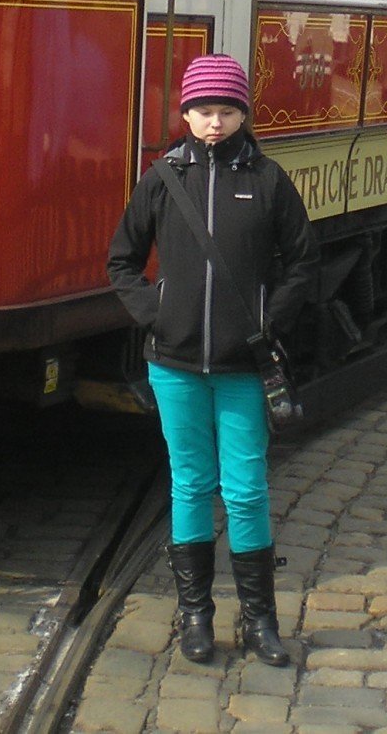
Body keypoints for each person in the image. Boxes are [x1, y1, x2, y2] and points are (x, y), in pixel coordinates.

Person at [107, 54, 318, 667]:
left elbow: (304, 260)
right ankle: (195, 615)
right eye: (203, 110)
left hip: (243, 367)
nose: (214, 122)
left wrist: (268, 321)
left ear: (243, 114)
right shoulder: (162, 179)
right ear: (186, 113)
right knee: (191, 485)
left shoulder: (269, 180)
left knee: (247, 491)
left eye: (226, 110)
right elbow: (122, 259)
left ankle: (259, 618)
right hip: (174, 366)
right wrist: (156, 312)